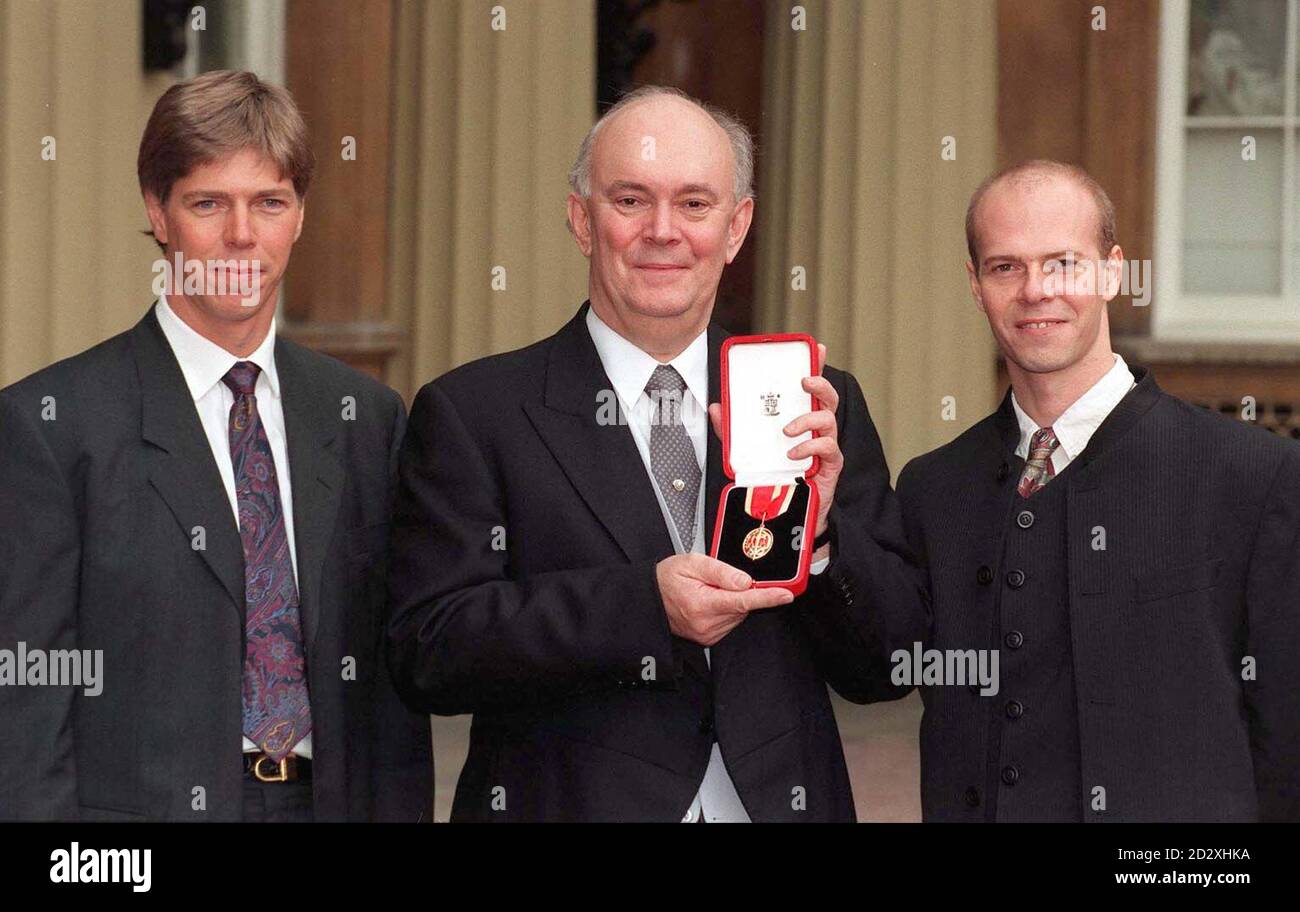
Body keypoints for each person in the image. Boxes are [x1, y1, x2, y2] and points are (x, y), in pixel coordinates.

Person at [386, 86, 924, 822]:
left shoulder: (810, 402)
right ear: (583, 220)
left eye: (696, 204)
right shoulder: (474, 413)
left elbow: (889, 665)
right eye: (631, 200)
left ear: (737, 229)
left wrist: (823, 541)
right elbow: (430, 651)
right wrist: (644, 606)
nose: (663, 231)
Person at [0, 70, 432, 822]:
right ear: (157, 212)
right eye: (209, 203)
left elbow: (391, 695)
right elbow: (27, 697)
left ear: (299, 217)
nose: (242, 235)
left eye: (270, 202)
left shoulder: (364, 416)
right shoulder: (51, 426)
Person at [895, 159, 1300, 822]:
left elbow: (1286, 740)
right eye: (1006, 267)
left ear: (1112, 271)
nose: (1036, 291)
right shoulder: (933, 488)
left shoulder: (1254, 478)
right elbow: (878, 666)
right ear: (975, 285)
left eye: (1063, 263)